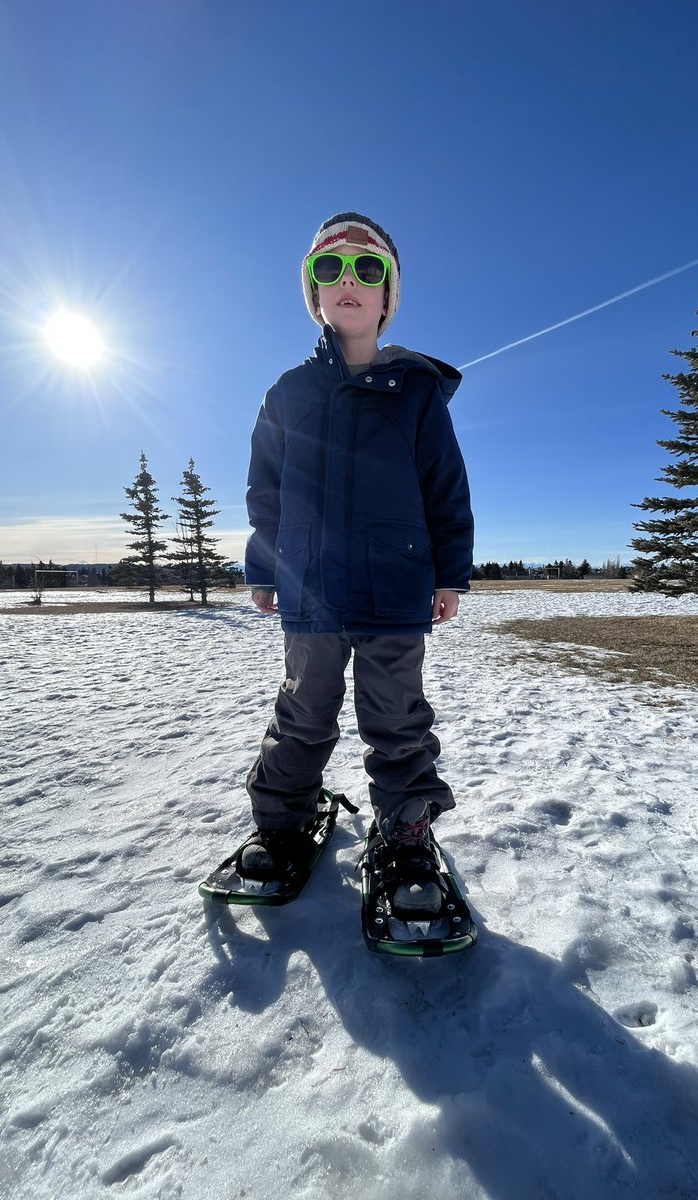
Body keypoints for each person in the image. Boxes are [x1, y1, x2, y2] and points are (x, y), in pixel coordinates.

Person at [241, 212, 474, 916]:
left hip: (396, 587)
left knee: (397, 716)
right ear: (313, 294)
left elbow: (445, 485)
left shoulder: (419, 392)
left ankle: (405, 834)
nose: (348, 281)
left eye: (367, 270)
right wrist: (264, 567)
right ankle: (282, 823)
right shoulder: (287, 394)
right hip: (311, 590)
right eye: (329, 270)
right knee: (303, 710)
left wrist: (449, 572)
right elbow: (266, 491)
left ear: (386, 297)